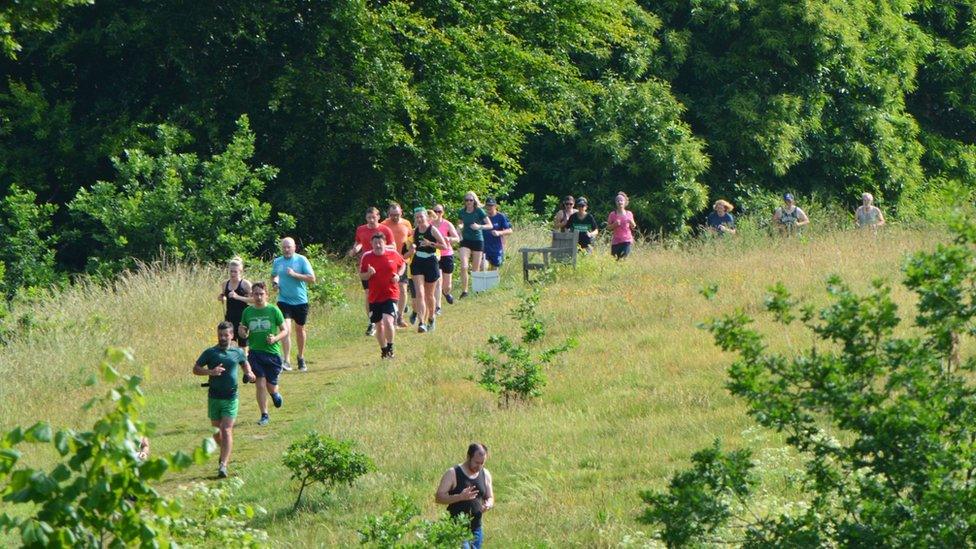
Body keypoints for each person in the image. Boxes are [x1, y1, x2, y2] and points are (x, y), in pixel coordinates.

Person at [193, 321, 256, 478]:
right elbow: (196, 369)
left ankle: (223, 465)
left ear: (232, 335)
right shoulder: (210, 352)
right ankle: (225, 451)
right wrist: (211, 372)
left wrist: (249, 374)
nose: (222, 337)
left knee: (226, 429)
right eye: (220, 335)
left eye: (226, 335)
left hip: (231, 397)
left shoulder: (238, 352)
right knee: (216, 433)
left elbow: (245, 365)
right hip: (214, 397)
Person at [239, 282, 288, 426]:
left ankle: (274, 394)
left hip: (272, 354)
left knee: (270, 386)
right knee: (260, 383)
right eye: (256, 294)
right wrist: (242, 332)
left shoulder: (273, 310)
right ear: (251, 295)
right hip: (255, 352)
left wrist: (275, 339)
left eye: (261, 294)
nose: (259, 297)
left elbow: (285, 330)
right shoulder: (247, 312)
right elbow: (243, 330)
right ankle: (264, 415)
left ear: (266, 295)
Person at [435, 443, 494, 549]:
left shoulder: (485, 474)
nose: (479, 466)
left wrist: (488, 504)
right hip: (457, 528)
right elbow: (439, 497)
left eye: (482, 463)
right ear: (468, 457)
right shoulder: (453, 473)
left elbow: (490, 497)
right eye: (476, 462)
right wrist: (460, 497)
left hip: (476, 528)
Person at [348, 208, 396, 337]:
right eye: (369, 218)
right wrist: (355, 249)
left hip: (383, 265)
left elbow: (393, 247)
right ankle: (372, 322)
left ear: (378, 216)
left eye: (373, 217)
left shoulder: (385, 230)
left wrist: (380, 247)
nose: (371, 220)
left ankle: (390, 313)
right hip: (367, 265)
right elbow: (358, 242)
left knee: (384, 292)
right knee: (368, 294)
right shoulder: (361, 229)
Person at [271, 237, 315, 372]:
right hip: (283, 300)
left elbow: (312, 279)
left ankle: (300, 357)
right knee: (286, 329)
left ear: (294, 247)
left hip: (300, 301)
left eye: (288, 247)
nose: (286, 249)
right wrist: (275, 283)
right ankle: (287, 360)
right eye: (284, 247)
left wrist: (295, 274)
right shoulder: (277, 262)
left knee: (300, 330)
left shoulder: (301, 260)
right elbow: (273, 276)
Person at [359, 232, 406, 359]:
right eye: (375, 243)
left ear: (385, 243)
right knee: (379, 325)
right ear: (371, 244)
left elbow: (403, 264)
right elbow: (361, 275)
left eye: (380, 242)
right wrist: (368, 274)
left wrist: (398, 275)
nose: (378, 245)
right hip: (375, 296)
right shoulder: (367, 257)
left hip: (391, 293)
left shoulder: (393, 254)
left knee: (388, 321)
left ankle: (390, 347)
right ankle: (384, 350)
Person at [407, 208, 449, 333]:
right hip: (418, 262)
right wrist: (412, 247)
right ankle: (422, 322)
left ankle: (431, 318)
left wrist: (430, 243)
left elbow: (444, 246)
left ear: (426, 217)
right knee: (420, 293)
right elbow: (409, 246)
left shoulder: (433, 230)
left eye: (421, 217)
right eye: (417, 217)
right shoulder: (414, 232)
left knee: (429, 295)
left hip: (431, 262)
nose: (419, 219)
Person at [381, 203, 414, 328]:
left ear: (402, 213)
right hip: (387, 261)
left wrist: (411, 251)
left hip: (402, 260)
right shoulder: (384, 225)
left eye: (397, 215)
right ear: (388, 214)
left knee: (403, 289)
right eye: (392, 215)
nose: (395, 217)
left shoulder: (406, 223)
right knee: (389, 291)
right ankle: (390, 315)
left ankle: (399, 317)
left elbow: (411, 239)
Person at [457, 192, 493, 298]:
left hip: (477, 240)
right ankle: (464, 291)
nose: (468, 202)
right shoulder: (461, 212)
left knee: (475, 269)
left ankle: (476, 290)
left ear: (474, 201)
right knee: (464, 266)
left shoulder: (479, 211)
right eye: (466, 200)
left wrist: (479, 227)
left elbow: (489, 225)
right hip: (465, 241)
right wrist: (459, 228)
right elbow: (459, 225)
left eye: (470, 200)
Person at [218, 257, 252, 352]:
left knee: (243, 345)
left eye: (235, 272)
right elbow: (224, 295)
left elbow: (254, 299)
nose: (233, 274)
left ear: (240, 271)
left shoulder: (245, 284)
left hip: (243, 318)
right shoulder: (225, 284)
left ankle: (244, 364)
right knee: (230, 344)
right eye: (231, 271)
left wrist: (238, 297)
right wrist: (221, 297)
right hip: (229, 317)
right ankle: (233, 364)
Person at [432, 204, 460, 312]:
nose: (437, 214)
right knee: (438, 281)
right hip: (435, 255)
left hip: (447, 254)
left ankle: (446, 292)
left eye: (439, 211)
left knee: (447, 285)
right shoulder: (429, 225)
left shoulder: (447, 224)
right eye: (435, 211)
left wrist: (449, 238)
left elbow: (457, 238)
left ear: (442, 213)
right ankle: (438, 307)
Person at [481, 197, 513, 269]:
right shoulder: (482, 217)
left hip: (496, 248)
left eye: (491, 205)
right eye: (488, 205)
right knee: (483, 267)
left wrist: (499, 233)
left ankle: (493, 280)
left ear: (495, 206)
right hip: (484, 248)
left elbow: (510, 231)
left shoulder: (501, 216)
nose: (489, 207)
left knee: (495, 270)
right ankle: (484, 280)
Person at [608, 192, 636, 259]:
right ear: (615, 203)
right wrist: (614, 224)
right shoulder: (612, 214)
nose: (620, 202)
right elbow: (608, 227)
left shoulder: (629, 213)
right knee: (614, 261)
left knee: (623, 260)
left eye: (621, 200)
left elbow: (633, 226)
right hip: (616, 241)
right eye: (618, 201)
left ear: (625, 202)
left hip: (626, 240)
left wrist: (631, 222)